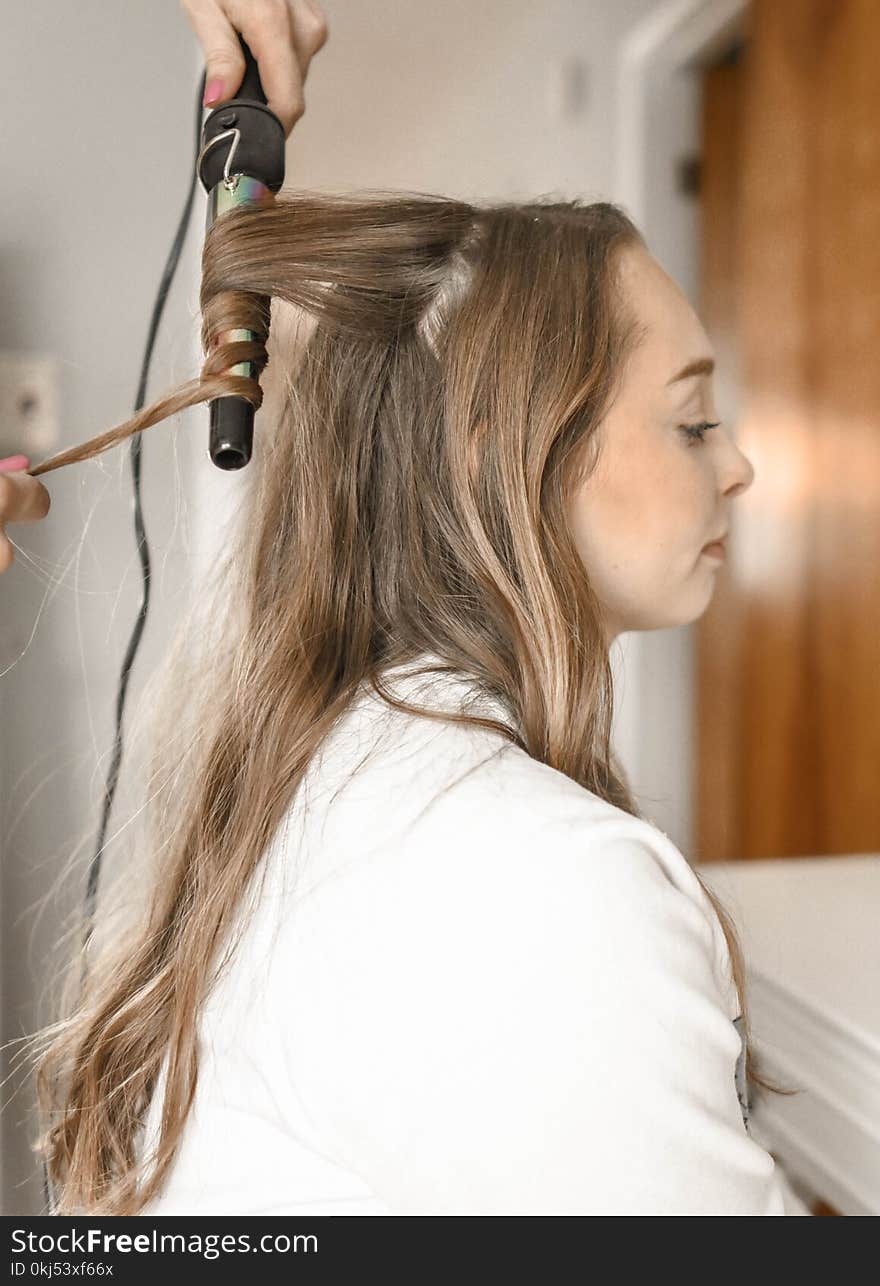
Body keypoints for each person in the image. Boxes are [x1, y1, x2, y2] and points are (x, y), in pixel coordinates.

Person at [17, 4, 808, 1218]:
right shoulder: (539, 883)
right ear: (504, 448)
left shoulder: (335, 759)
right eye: (694, 419)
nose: (738, 467)